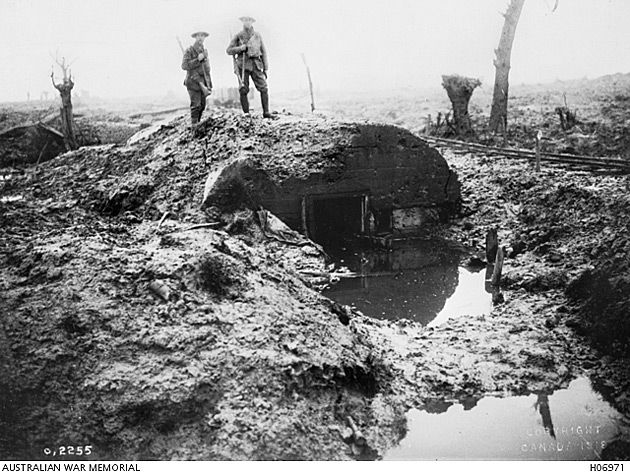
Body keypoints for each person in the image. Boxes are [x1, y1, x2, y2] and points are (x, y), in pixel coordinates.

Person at [226, 16, 272, 118]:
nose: (247, 22)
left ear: (252, 22)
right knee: (243, 89)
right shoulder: (238, 36)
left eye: (249, 20)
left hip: (256, 64)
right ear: (242, 22)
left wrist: (265, 68)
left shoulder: (257, 35)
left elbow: (263, 52)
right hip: (243, 65)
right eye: (245, 20)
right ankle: (246, 113)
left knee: (263, 88)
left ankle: (266, 112)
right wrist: (240, 48)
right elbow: (229, 50)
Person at [181, 31, 212, 127]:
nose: (201, 38)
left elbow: (207, 69)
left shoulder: (204, 51)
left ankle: (197, 124)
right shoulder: (189, 50)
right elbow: (184, 65)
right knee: (196, 105)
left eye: (202, 36)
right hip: (193, 82)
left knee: (202, 106)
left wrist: (209, 84)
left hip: (203, 82)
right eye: (198, 36)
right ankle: (194, 126)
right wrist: (197, 60)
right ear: (195, 37)